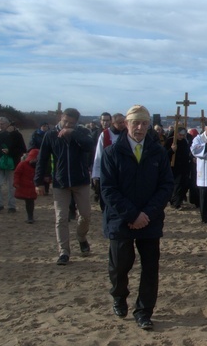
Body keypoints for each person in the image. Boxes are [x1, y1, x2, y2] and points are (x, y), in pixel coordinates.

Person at [101, 105, 173, 330]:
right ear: (126, 124)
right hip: (121, 219)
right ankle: (119, 296)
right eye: (135, 123)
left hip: (149, 220)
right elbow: (108, 189)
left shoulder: (158, 152)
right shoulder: (112, 152)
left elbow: (165, 186)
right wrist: (132, 214)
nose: (140, 128)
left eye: (144, 123)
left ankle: (144, 311)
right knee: (120, 264)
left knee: (150, 267)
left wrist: (146, 214)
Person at [35, 108, 95, 265]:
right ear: (61, 117)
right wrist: (38, 182)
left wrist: (72, 133)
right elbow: (42, 159)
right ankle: (64, 252)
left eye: (71, 123)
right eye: (65, 121)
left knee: (85, 215)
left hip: (81, 180)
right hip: (60, 182)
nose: (67, 125)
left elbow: (89, 146)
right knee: (61, 217)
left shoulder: (82, 132)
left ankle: (81, 237)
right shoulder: (50, 135)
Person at [0, 117, 27, 213]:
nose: (0, 126)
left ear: (8, 124)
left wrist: (10, 151)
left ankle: (11, 206)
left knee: (11, 186)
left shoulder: (17, 134)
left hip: (12, 163)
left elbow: (22, 149)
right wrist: (7, 132)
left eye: (2, 124)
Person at [92, 113, 127, 210]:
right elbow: (99, 155)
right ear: (113, 123)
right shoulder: (105, 134)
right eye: (120, 122)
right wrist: (96, 175)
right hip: (108, 171)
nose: (123, 124)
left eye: (124, 122)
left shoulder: (128, 134)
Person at [165, 126, 192, 209]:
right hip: (174, 166)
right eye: (180, 135)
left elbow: (187, 153)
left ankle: (178, 200)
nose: (182, 137)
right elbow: (164, 155)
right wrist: (171, 150)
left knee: (184, 184)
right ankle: (175, 203)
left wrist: (191, 158)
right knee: (177, 185)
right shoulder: (170, 141)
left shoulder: (184, 141)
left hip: (184, 166)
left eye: (183, 135)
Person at [14, 148, 39, 224]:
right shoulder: (23, 164)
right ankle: (30, 217)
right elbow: (17, 173)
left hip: (32, 187)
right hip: (24, 186)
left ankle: (30, 217)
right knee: (29, 202)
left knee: (30, 202)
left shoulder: (38, 166)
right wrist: (16, 183)